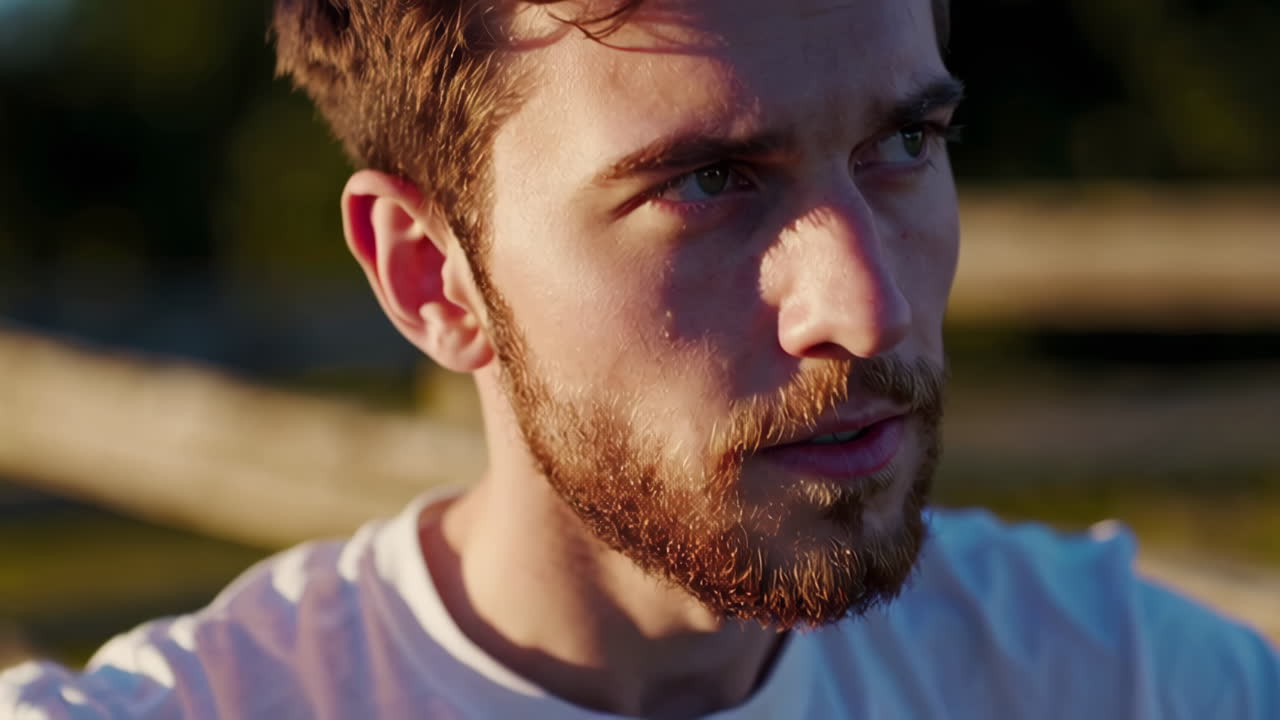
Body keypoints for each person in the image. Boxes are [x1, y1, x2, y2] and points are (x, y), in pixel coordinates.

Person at [3, 0, 1277, 717]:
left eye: (904, 143)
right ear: (429, 275)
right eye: (711, 180)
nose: (867, 307)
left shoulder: (1121, 680)